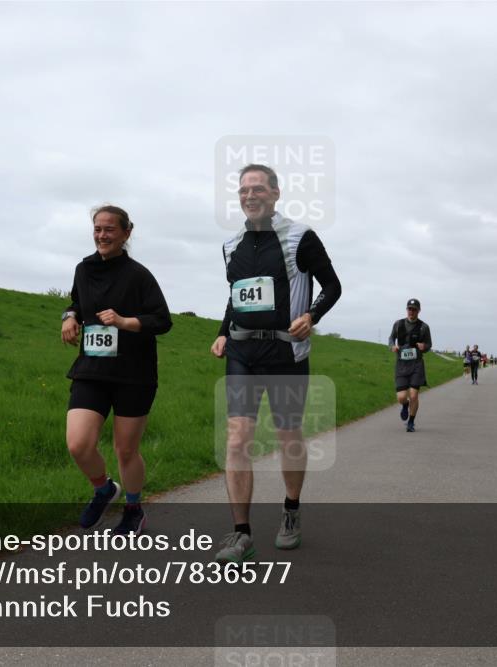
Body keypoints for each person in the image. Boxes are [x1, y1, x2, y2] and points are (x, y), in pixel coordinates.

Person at [209, 164, 341, 563]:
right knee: (237, 438)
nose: (250, 196)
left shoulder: (300, 237)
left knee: (288, 437)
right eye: (243, 190)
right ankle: (241, 533)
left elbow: (332, 285)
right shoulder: (231, 245)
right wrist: (221, 330)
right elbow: (237, 296)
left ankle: (291, 510)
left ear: (276, 193)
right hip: (242, 352)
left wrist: (312, 316)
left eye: (258, 189)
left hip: (285, 353)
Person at [62, 205, 172, 537]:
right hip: (92, 369)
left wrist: (125, 322)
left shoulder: (139, 275)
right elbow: (77, 303)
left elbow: (162, 321)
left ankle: (134, 510)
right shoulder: (84, 269)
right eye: (97, 229)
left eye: (109, 229)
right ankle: (103, 489)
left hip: (133, 374)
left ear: (126, 233)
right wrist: (69, 317)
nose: (102, 235)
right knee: (78, 444)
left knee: (125, 449)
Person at [388, 299, 432, 432]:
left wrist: (424, 346)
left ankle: (411, 422)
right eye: (409, 309)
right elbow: (391, 339)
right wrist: (392, 346)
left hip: (416, 364)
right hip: (401, 364)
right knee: (401, 397)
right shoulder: (398, 324)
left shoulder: (424, 327)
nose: (411, 311)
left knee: (413, 395)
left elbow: (429, 345)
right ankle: (405, 405)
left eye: (414, 309)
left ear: (419, 311)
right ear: (406, 310)